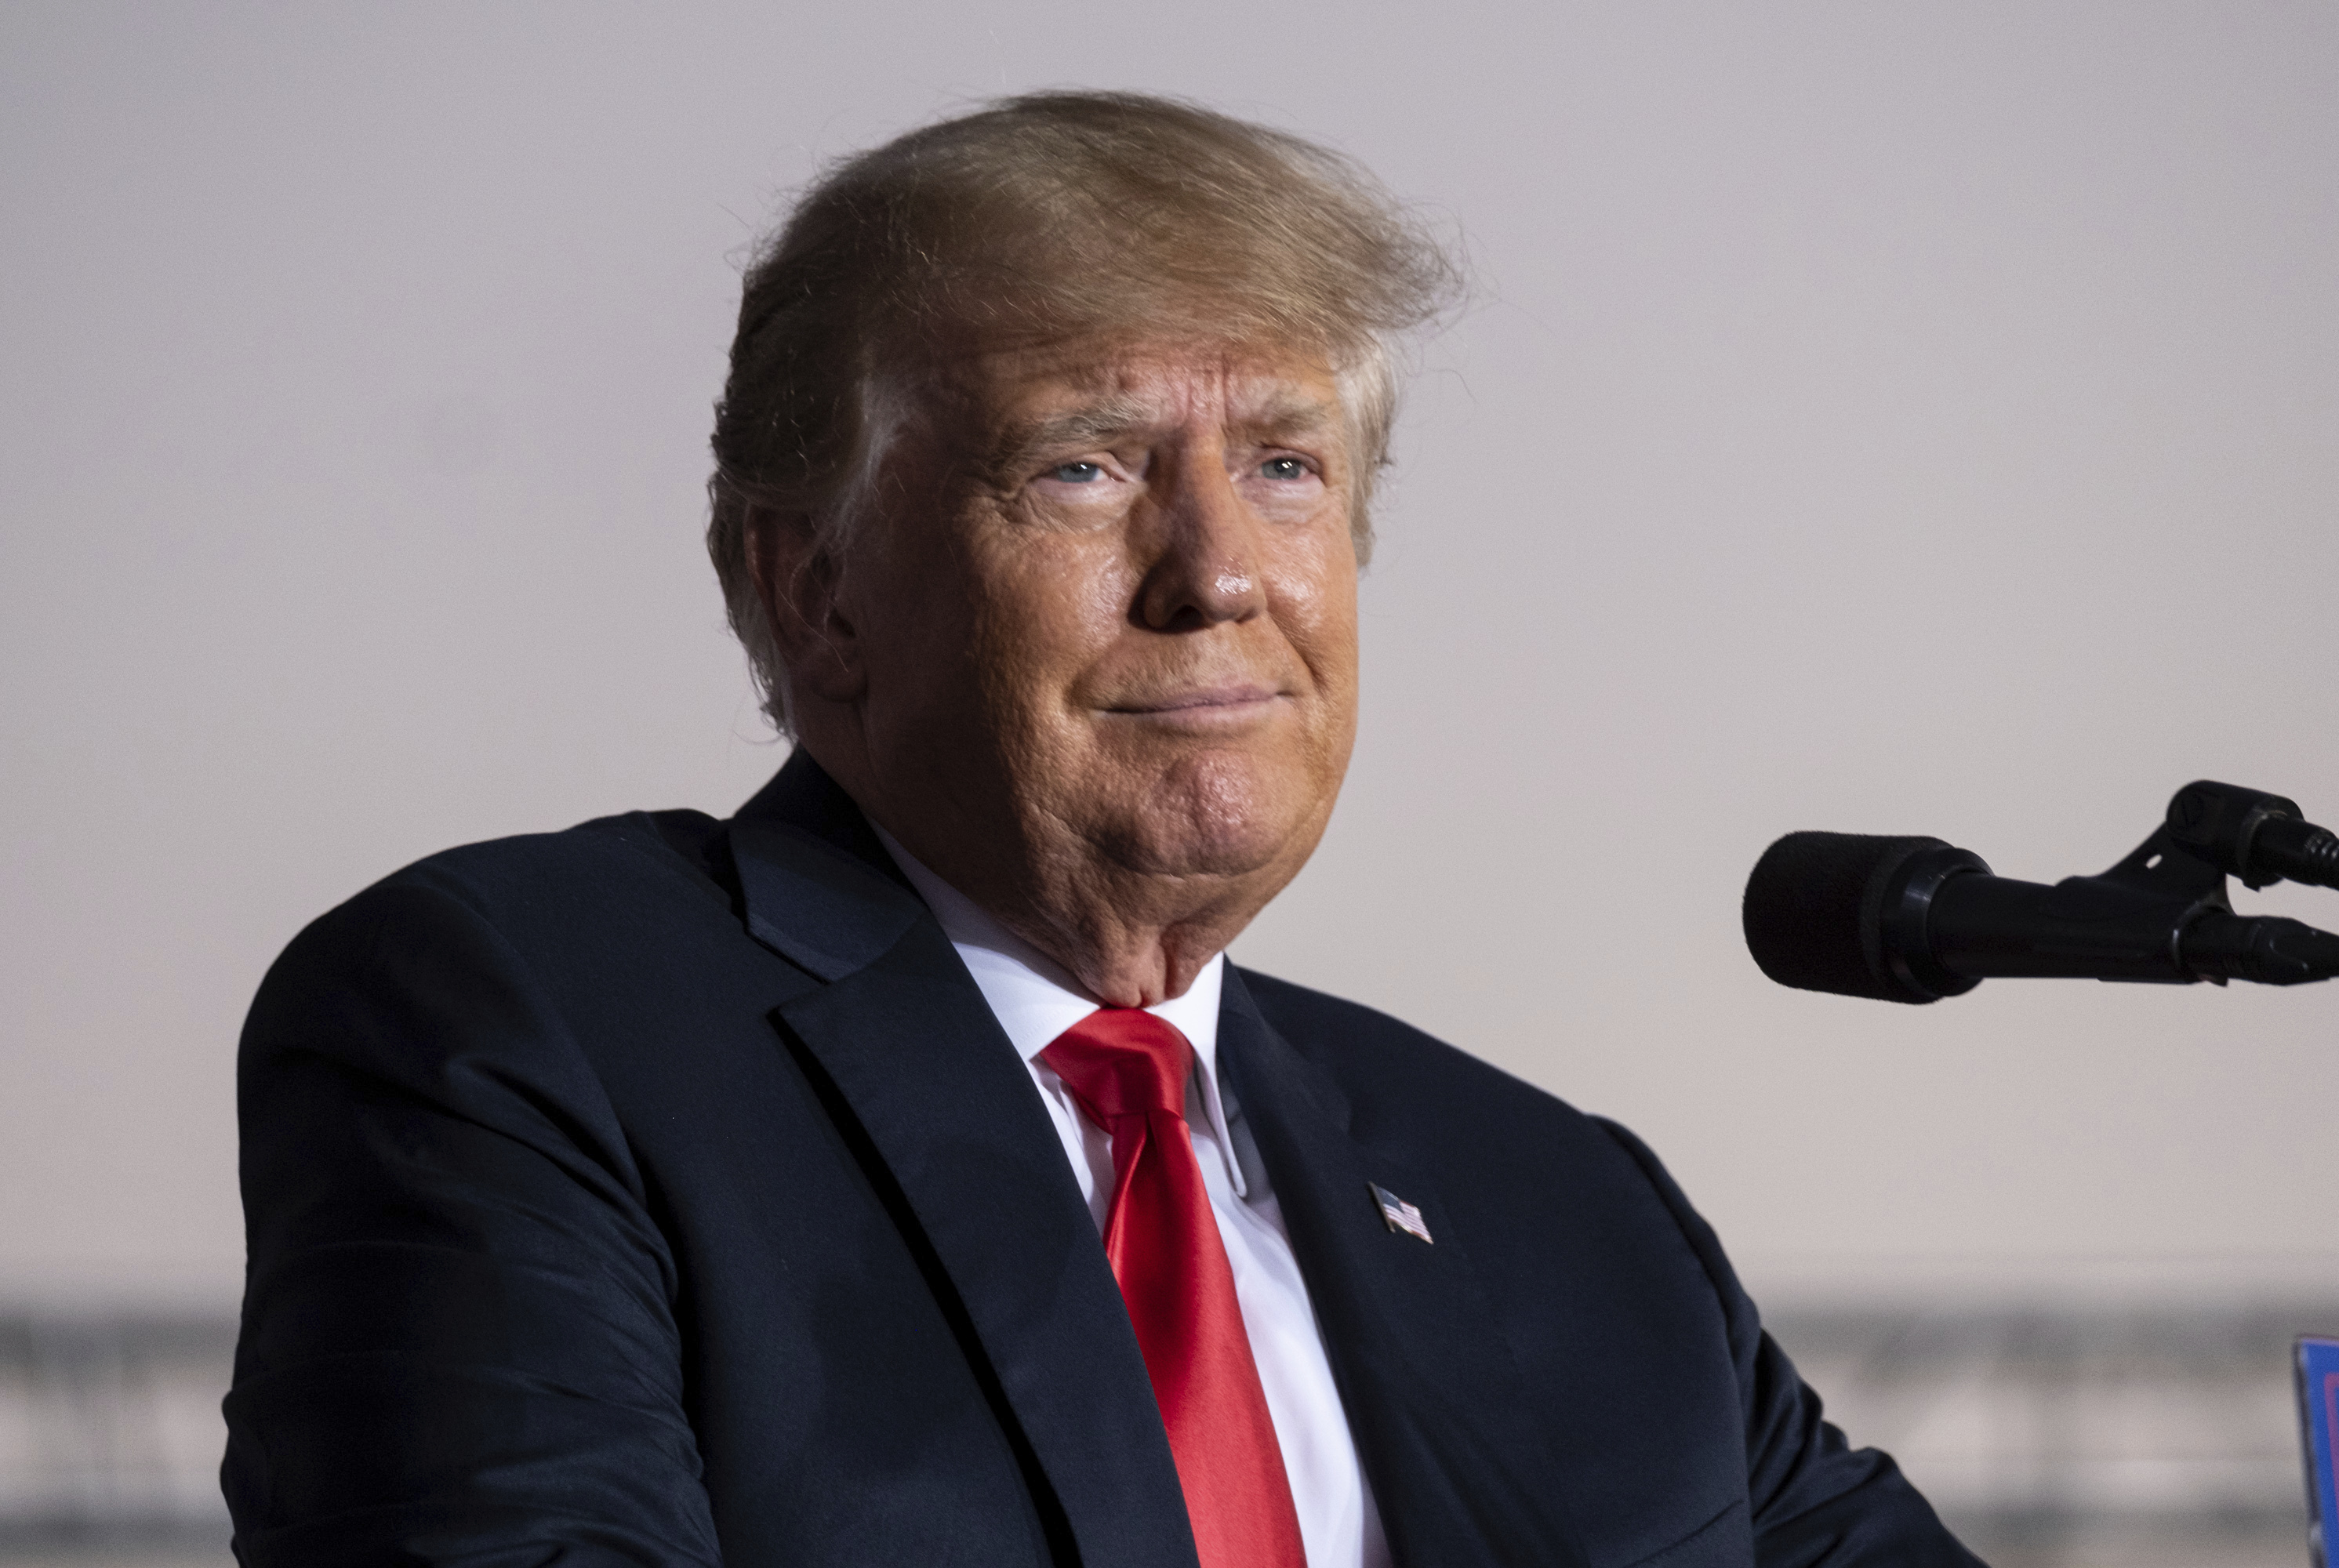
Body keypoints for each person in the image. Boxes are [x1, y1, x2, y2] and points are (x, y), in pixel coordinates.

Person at [223, 92, 1981, 1568]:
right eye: (1084, 464)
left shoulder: (1569, 1212)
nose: (1217, 570)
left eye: (1287, 464)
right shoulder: (524, 1030)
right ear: (816, 585)